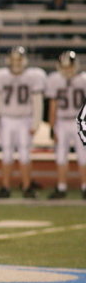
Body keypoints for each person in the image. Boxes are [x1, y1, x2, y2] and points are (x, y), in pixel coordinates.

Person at [0, 46, 46, 199]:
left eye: (19, 59)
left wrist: (36, 122)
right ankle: (5, 187)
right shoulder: (0, 75)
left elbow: (37, 101)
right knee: (6, 154)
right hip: (6, 118)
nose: (16, 63)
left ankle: (27, 187)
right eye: (14, 59)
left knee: (25, 154)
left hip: (25, 118)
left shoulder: (33, 76)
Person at [45, 51, 86, 199]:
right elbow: (53, 105)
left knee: (84, 156)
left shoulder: (83, 79)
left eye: (70, 67)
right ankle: (61, 187)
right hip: (62, 121)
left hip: (80, 122)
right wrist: (52, 127)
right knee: (61, 156)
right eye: (65, 67)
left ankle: (84, 187)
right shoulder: (55, 80)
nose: (67, 70)